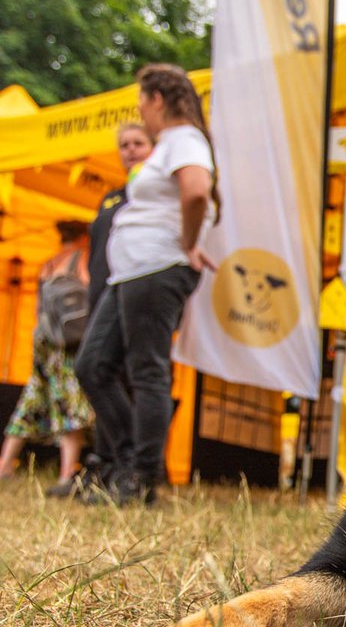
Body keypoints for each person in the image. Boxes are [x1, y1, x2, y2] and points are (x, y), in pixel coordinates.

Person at [75, 65, 217, 504]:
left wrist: (190, 243)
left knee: (147, 371)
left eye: (142, 102)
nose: (142, 110)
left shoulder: (186, 139)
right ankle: (122, 466)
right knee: (93, 365)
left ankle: (139, 479)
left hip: (157, 268)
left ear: (157, 99)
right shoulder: (169, 145)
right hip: (130, 272)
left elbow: (196, 191)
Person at [83, 121, 154, 488]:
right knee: (96, 373)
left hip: (137, 296)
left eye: (138, 142)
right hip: (102, 297)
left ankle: (132, 465)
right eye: (124, 144)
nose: (130, 149)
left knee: (131, 380)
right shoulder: (111, 197)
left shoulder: (152, 196)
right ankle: (105, 461)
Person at [0, 222, 96, 495]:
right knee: (70, 404)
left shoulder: (48, 264)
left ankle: (5, 465)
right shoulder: (80, 260)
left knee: (32, 398)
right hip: (64, 344)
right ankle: (68, 474)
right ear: (82, 237)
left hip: (41, 340)